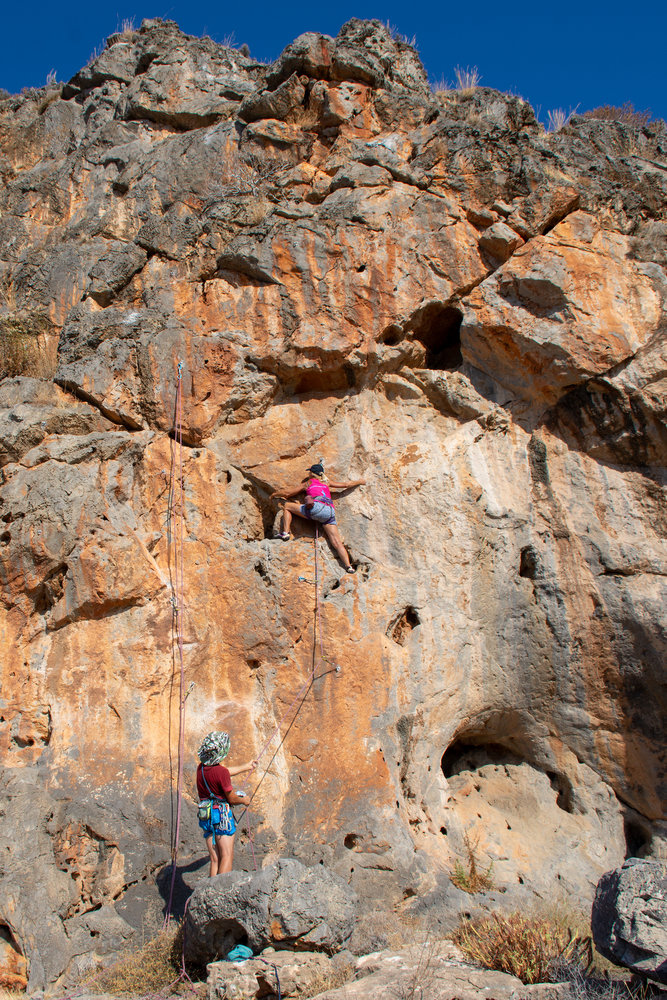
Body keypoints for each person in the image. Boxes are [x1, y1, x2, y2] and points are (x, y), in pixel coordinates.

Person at [270, 463, 365, 574]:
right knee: (337, 542)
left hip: (317, 508)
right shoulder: (326, 482)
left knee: (287, 506)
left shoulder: (308, 483)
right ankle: (349, 567)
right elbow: (346, 484)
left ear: (311, 473)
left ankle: (285, 533)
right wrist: (360, 482)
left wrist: (274, 494)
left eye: (309, 472)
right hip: (329, 512)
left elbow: (288, 493)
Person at [196, 731, 254, 877]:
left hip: (206, 815)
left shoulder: (201, 768)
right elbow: (232, 798)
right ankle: (220, 894)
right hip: (221, 815)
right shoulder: (220, 772)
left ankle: (209, 894)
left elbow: (223, 773)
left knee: (215, 859)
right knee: (226, 855)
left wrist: (246, 767)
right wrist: (244, 800)